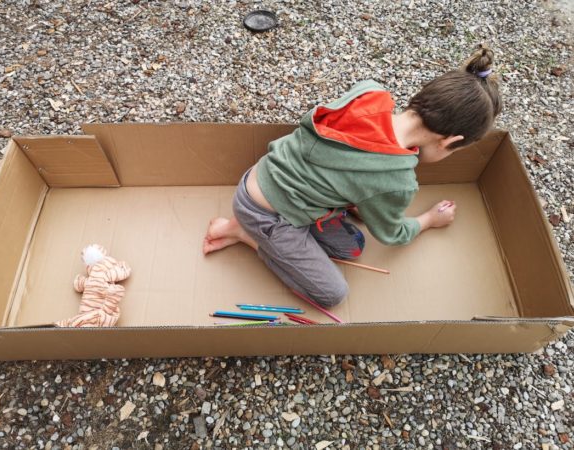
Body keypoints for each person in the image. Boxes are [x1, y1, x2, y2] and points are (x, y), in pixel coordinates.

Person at [202, 45, 502, 308]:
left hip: (262, 176)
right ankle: (244, 233)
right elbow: (392, 234)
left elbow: (341, 157)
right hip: (269, 217)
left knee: (353, 247)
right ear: (449, 141)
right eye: (454, 150)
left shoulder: (368, 94)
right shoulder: (396, 181)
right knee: (332, 292)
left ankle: (259, 230)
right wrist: (429, 220)